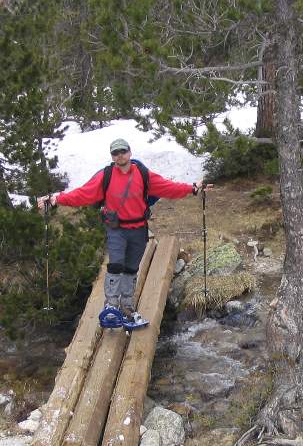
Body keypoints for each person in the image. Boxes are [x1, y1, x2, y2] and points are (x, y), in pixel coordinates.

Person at [37, 138, 210, 327]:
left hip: (138, 229)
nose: (120, 156)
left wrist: (192, 189)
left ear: (130, 152)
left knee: (131, 269)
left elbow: (168, 187)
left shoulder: (143, 174)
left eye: (122, 152)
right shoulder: (106, 176)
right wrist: (56, 199)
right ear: (112, 156)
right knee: (116, 265)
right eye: (115, 153)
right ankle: (111, 307)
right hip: (116, 229)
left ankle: (127, 309)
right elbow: (83, 193)